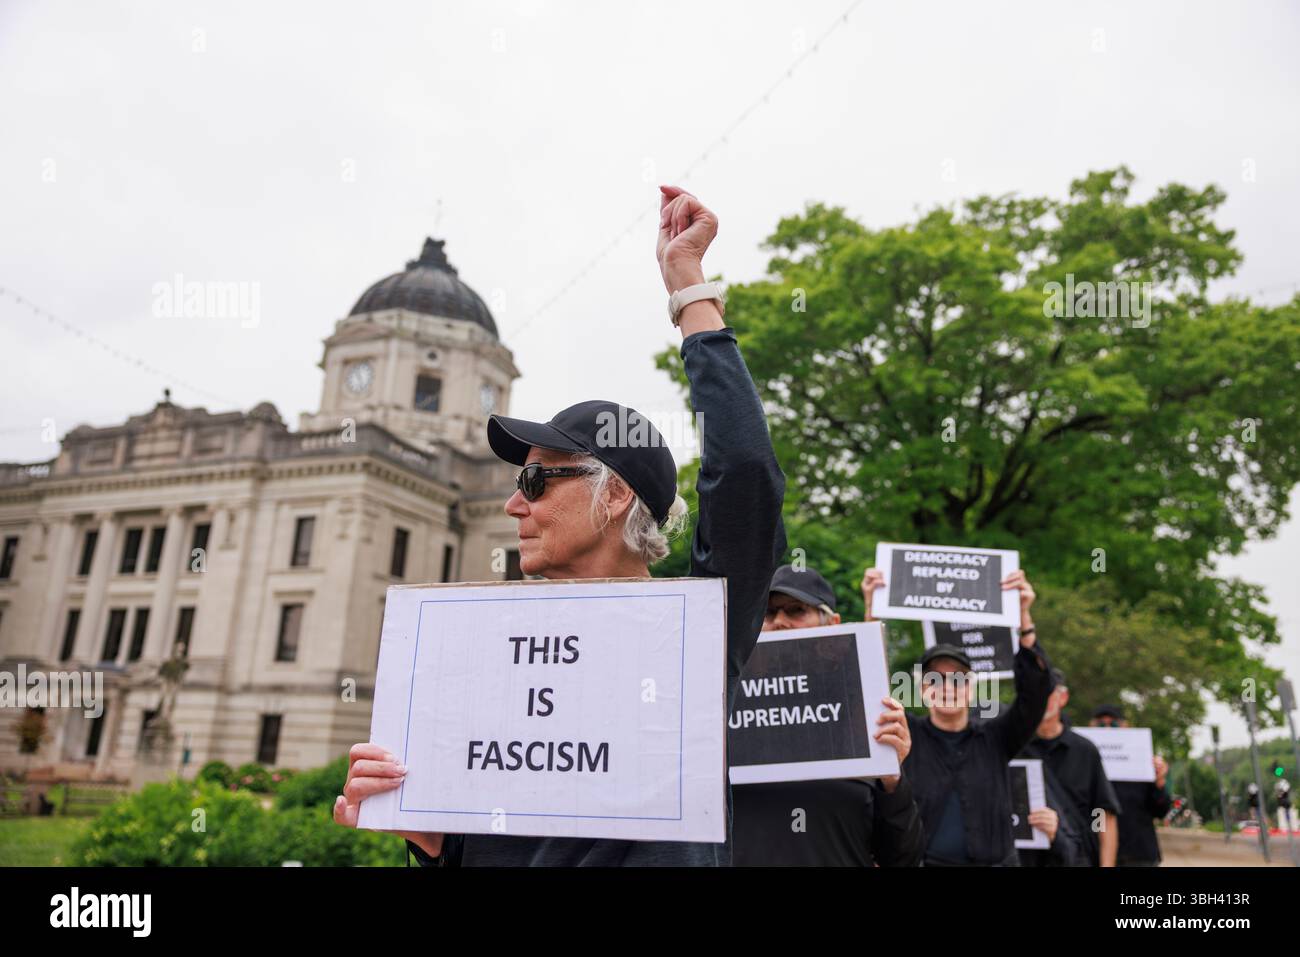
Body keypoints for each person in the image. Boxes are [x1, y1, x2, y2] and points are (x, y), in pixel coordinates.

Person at [333, 185, 787, 866]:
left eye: (536, 480)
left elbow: (747, 472)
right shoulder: (503, 658)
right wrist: (432, 843)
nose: (516, 504)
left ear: (613, 498)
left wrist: (689, 290)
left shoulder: (690, 639)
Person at [730, 564, 924, 867]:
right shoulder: (723, 710)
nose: (779, 622)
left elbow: (901, 857)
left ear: (832, 625)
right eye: (768, 614)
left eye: (796, 610)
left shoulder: (868, 717)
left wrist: (891, 779)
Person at [862, 565, 1053, 866]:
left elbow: (1035, 695)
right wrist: (872, 610)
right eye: (935, 679)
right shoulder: (904, 738)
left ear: (973, 690)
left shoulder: (996, 737)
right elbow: (868, 690)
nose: (947, 687)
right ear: (922, 690)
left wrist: (1024, 620)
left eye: (959, 679)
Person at [1018, 672, 1121, 866]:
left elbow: (1102, 812)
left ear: (1062, 698)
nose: (1040, 698)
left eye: (1047, 692)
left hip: (1076, 858)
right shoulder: (1013, 746)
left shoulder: (1085, 750)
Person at [1089, 704, 1171, 866]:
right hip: (1097, 853)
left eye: (1113, 724)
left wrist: (1159, 782)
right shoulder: (1083, 763)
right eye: (1101, 725)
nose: (1107, 730)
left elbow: (1161, 811)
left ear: (1125, 727)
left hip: (1139, 855)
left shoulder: (1141, 764)